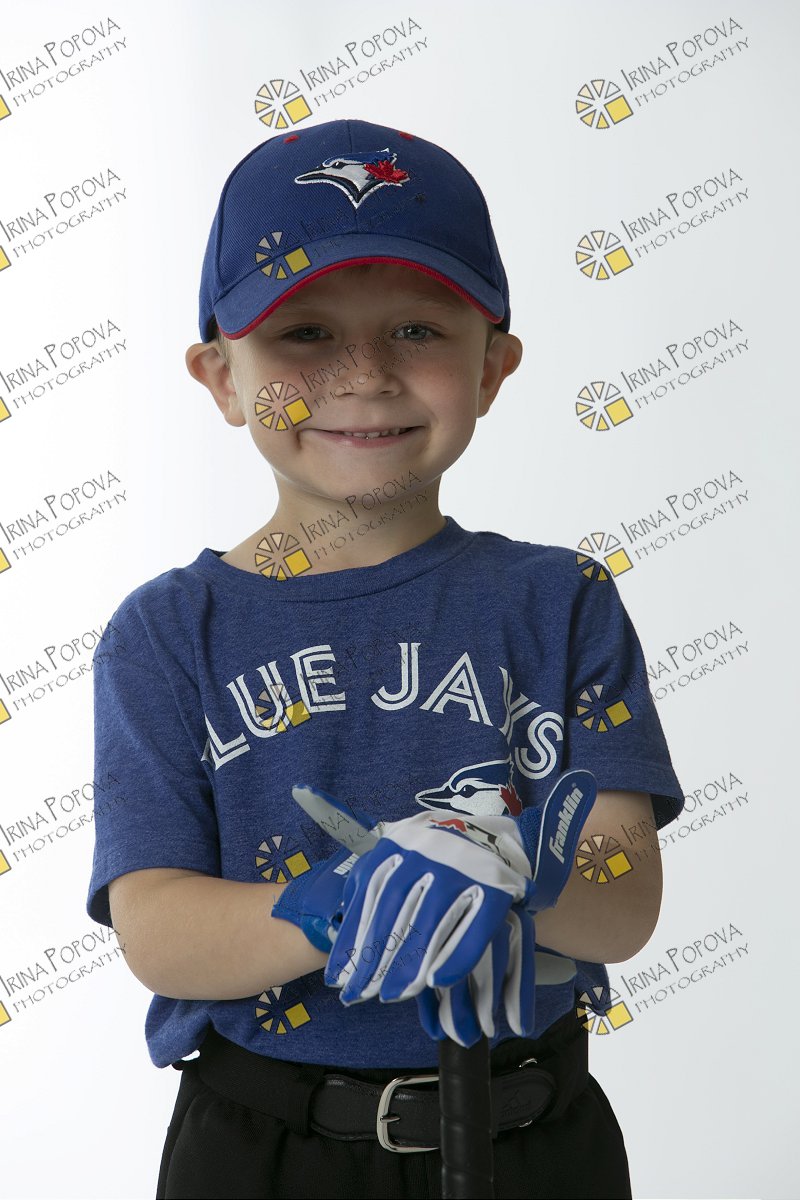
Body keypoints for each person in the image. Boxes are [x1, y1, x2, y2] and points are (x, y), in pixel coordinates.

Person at [85, 118, 684, 1200]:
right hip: (265, 1146)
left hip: (533, 1137)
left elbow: (624, 892)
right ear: (222, 379)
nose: (362, 375)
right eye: (303, 333)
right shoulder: (168, 631)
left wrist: (510, 869)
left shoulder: (559, 601)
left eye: (416, 329)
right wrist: (334, 898)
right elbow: (157, 930)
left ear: (492, 367)